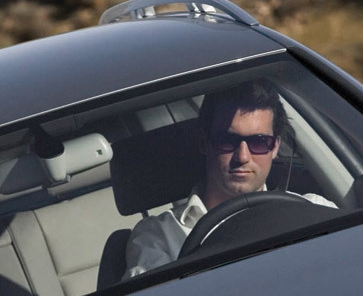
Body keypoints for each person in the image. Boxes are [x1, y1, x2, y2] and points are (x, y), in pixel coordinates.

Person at [124, 78, 334, 279]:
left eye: (259, 142)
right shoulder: (158, 235)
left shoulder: (313, 210)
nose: (242, 157)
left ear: (275, 147)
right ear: (204, 142)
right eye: (227, 140)